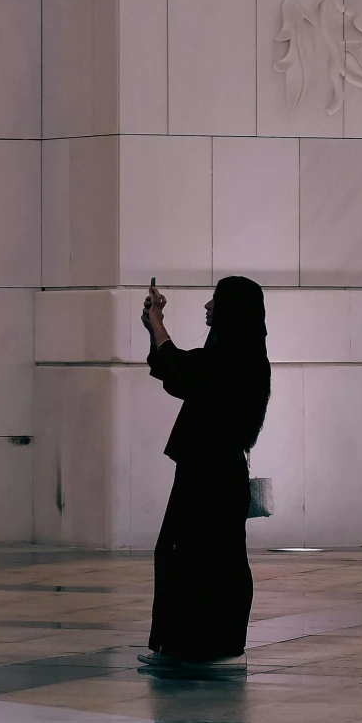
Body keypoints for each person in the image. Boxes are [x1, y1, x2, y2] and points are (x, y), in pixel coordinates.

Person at [138, 275, 270, 673]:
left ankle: (204, 647)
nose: (207, 307)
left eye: (214, 301)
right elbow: (176, 369)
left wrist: (157, 323)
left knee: (202, 558)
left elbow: (180, 370)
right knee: (199, 557)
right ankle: (192, 645)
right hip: (212, 471)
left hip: (210, 475)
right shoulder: (240, 354)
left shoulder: (234, 358)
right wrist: (155, 327)